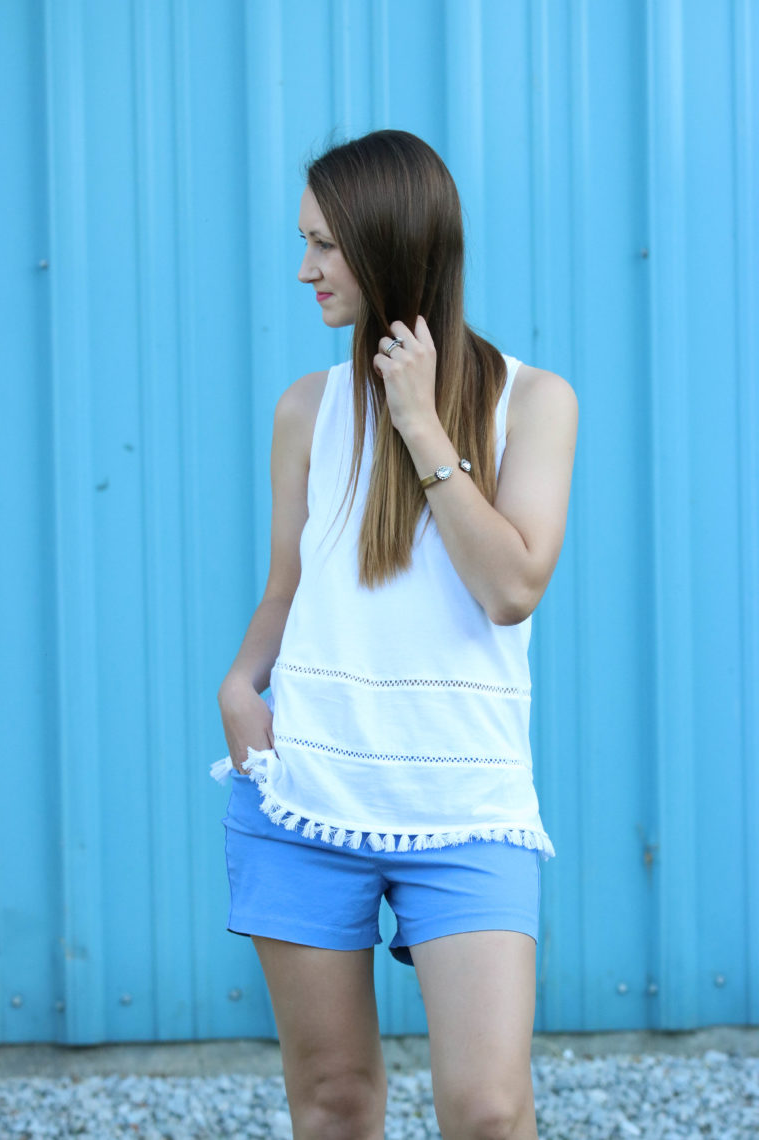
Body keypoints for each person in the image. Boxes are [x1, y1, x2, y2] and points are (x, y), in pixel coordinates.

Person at [213, 129, 578, 1140]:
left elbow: (510, 589)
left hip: (464, 803)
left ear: (388, 243)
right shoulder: (306, 410)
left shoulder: (534, 403)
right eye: (304, 242)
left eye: (324, 245)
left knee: (489, 1110)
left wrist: (420, 424)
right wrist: (240, 685)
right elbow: (287, 587)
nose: (304, 269)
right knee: (333, 1103)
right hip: (303, 795)